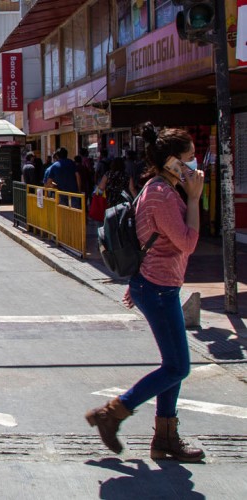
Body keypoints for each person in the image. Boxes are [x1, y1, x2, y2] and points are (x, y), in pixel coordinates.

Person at [86, 124, 206, 462]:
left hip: (156, 285)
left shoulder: (161, 188)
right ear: (171, 162)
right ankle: (112, 413)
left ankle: (165, 438)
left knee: (174, 365)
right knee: (178, 367)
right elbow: (188, 242)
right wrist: (194, 199)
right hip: (158, 289)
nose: (194, 165)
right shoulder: (161, 194)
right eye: (189, 158)